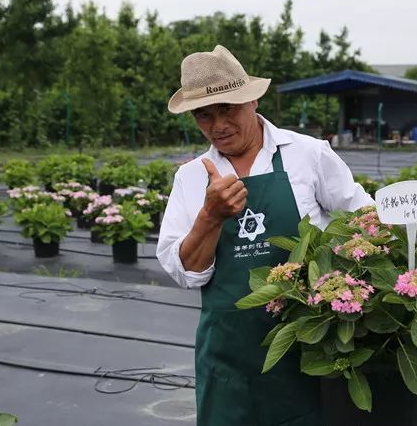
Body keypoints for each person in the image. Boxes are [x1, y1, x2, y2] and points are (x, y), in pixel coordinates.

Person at [157, 44, 373, 426]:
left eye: (227, 109)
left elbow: (363, 220)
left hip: (311, 338)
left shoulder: (308, 154)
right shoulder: (191, 178)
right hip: (229, 350)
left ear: (253, 98)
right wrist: (210, 216)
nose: (218, 125)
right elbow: (186, 272)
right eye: (204, 115)